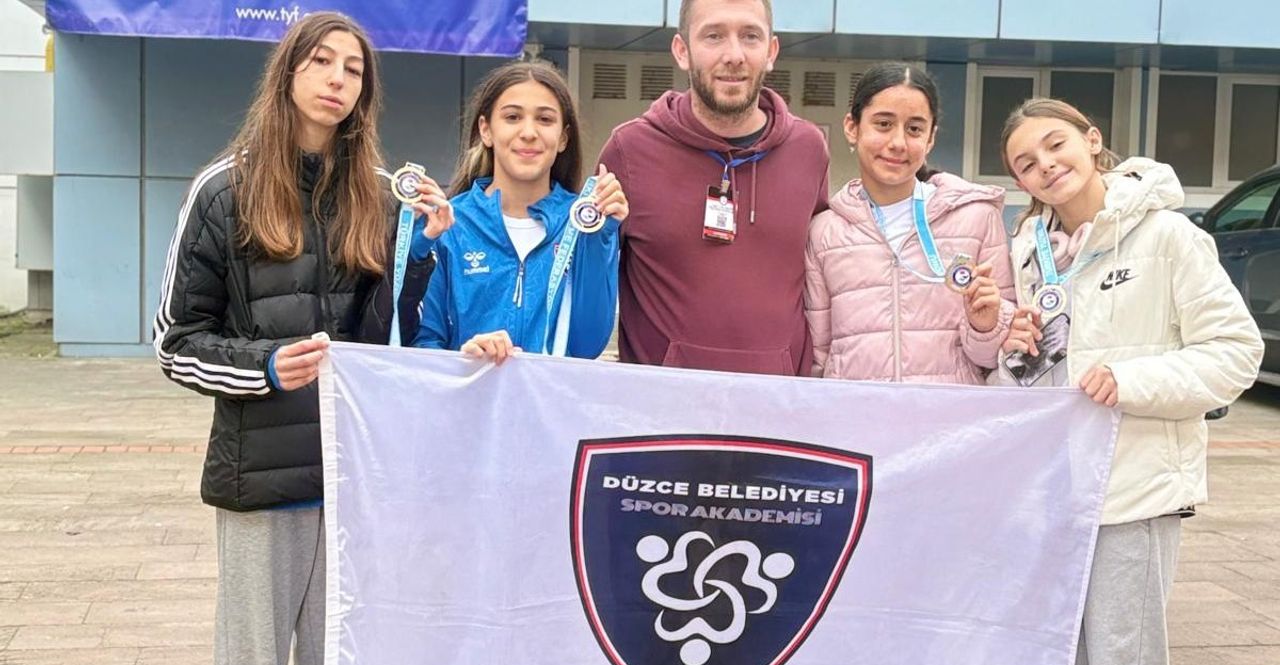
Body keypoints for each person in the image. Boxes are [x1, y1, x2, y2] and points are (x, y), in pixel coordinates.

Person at [151, 13, 430, 665]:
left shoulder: (380, 194)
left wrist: (420, 251)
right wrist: (266, 366)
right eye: (321, 62)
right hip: (261, 479)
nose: (338, 79)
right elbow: (175, 342)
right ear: (287, 73)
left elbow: (386, 343)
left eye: (354, 70)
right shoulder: (224, 189)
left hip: (349, 478)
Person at [997, 98, 1264, 665]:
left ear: (1092, 140)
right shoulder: (1031, 252)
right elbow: (1040, 375)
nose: (1046, 165)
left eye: (1056, 144)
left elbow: (1236, 352)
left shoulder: (1168, 236)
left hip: (1133, 492)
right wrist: (1015, 351)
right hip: (1059, 492)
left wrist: (1131, 379)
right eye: (1026, 163)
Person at [596, 0, 829, 375]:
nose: (734, 55)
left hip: (777, 403)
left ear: (771, 51)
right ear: (682, 50)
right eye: (714, 36)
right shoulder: (629, 150)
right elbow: (591, 277)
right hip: (664, 406)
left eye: (750, 36)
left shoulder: (809, 150)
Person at [805, 63, 1014, 383]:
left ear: (931, 138)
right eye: (883, 124)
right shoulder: (825, 232)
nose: (898, 143)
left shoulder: (976, 219)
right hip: (856, 413)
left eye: (914, 129)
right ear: (852, 127)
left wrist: (985, 326)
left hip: (949, 414)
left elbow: (1000, 357)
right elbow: (819, 357)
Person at [411, 61, 624, 361]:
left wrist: (598, 240)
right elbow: (423, 344)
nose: (528, 132)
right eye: (512, 117)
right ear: (486, 130)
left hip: (551, 393)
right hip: (471, 392)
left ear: (563, 138)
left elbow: (587, 346)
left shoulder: (584, 225)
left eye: (545, 119)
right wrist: (465, 358)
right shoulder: (450, 223)